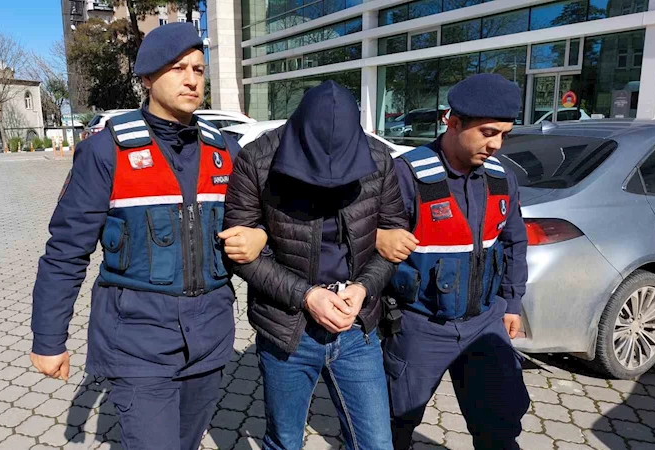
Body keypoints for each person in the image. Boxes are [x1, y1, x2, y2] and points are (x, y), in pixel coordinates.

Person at [29, 23, 266, 450]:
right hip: (137, 339)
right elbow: (66, 251)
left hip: (210, 336)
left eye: (198, 69)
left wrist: (259, 236)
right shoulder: (107, 151)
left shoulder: (225, 152)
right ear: (146, 78)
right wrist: (49, 339)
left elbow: (261, 218)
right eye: (178, 68)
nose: (192, 80)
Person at [223, 80, 409, 450]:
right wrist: (307, 296)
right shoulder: (257, 160)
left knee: (376, 443)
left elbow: (393, 242)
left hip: (357, 329)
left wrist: (363, 288)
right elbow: (240, 252)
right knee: (285, 441)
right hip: (287, 329)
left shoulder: (379, 159)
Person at [377, 73, 531, 450]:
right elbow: (363, 237)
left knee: (500, 423)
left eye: (504, 135)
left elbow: (514, 241)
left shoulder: (501, 178)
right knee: (393, 423)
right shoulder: (407, 174)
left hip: (485, 322)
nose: (496, 145)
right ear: (454, 122)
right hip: (419, 325)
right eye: (488, 133)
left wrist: (512, 302)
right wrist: (378, 237)